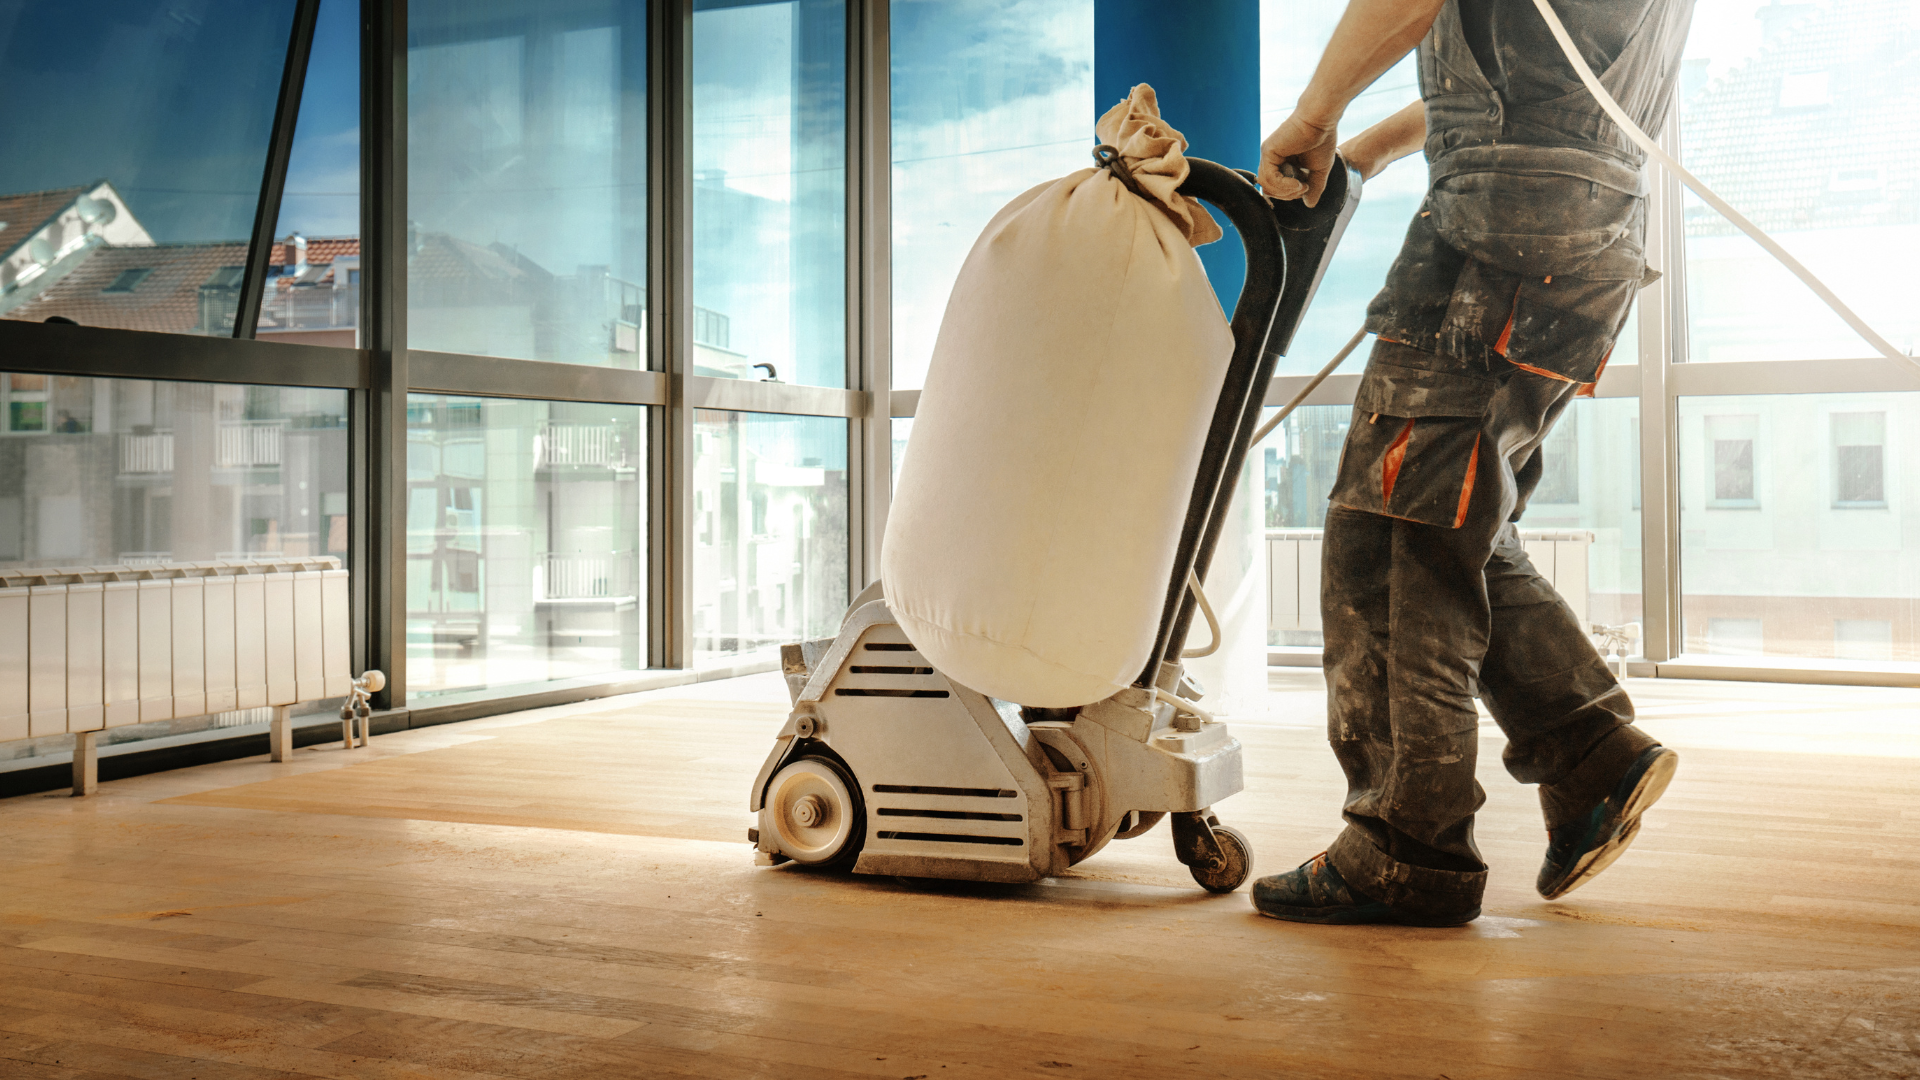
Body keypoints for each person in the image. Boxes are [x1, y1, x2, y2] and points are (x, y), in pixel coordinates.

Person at [1251, 0, 1695, 926]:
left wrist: (1316, 115)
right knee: (1456, 520)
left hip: (1500, 239)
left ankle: (1405, 847)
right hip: (1583, 232)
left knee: (1389, 534)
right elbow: (1535, 61)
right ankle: (1590, 755)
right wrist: (1368, 145)